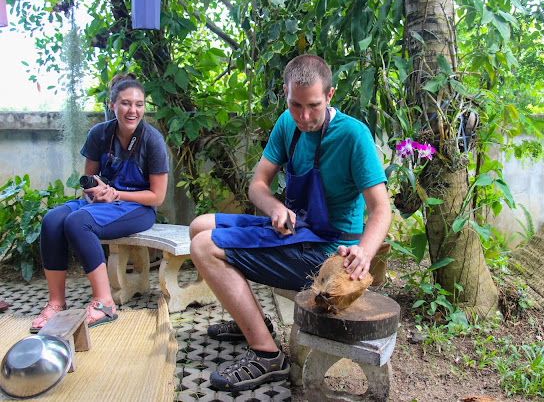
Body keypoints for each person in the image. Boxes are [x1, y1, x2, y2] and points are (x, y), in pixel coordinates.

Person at [189, 54, 392, 392]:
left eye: (313, 105)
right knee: (198, 226)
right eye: (295, 105)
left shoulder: (354, 136)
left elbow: (381, 209)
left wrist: (364, 253)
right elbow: (258, 185)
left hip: (327, 250)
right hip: (295, 231)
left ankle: (268, 356)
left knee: (203, 246)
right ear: (285, 93)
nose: (304, 116)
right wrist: (273, 207)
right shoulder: (288, 124)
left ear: (329, 96)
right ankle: (252, 321)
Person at [31, 74, 169, 333]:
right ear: (112, 105)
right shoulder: (99, 134)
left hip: (137, 207)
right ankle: (56, 303)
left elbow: (156, 197)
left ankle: (104, 304)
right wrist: (95, 193)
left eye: (139, 104)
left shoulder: (152, 140)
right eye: (126, 103)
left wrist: (116, 194)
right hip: (102, 203)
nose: (133, 110)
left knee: (78, 222)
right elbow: (89, 181)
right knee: (51, 220)